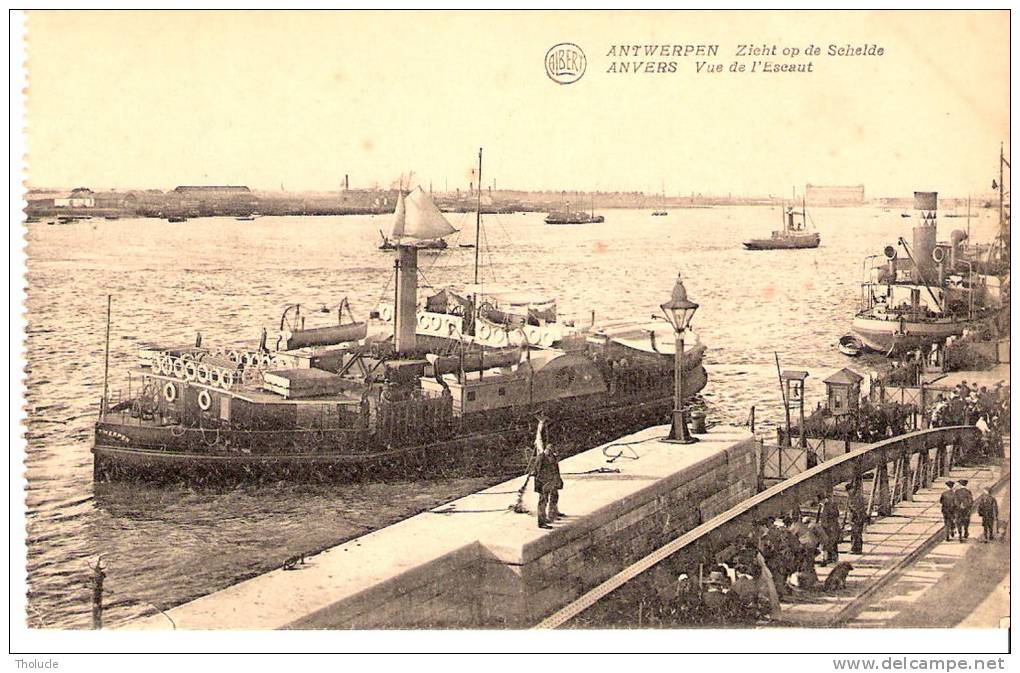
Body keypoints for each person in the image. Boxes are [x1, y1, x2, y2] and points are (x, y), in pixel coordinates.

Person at [531, 418, 564, 529]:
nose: (552, 450)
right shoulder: (541, 458)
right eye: (550, 449)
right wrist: (543, 485)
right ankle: (542, 522)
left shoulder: (552, 457)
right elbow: (536, 472)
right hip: (544, 483)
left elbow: (556, 469)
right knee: (543, 501)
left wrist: (557, 480)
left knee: (555, 496)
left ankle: (553, 514)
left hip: (552, 481)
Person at [819, 494, 841, 565]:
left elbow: (824, 520)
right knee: (833, 543)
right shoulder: (833, 504)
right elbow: (837, 514)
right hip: (834, 526)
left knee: (829, 543)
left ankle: (829, 559)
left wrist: (822, 528)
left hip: (829, 528)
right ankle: (834, 558)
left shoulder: (826, 507)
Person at [848, 487, 869, 554]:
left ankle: (855, 549)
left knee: (855, 534)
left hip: (856, 519)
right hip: (858, 519)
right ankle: (858, 549)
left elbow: (856, 510)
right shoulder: (858, 497)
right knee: (857, 535)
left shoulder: (854, 499)